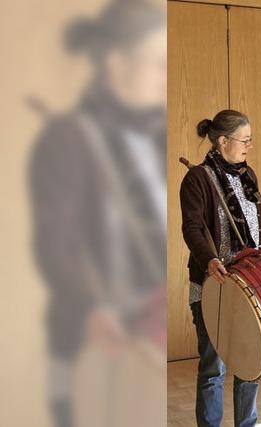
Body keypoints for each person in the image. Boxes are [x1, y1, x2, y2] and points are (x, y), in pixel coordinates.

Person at [29, 1, 166, 426]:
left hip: (147, 339)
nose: (165, 77)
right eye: (157, 63)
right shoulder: (67, 138)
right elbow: (55, 242)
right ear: (116, 62)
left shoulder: (157, 134)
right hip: (92, 344)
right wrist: (91, 308)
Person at [180, 110, 261, 427]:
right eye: (245, 140)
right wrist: (210, 260)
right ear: (222, 141)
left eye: (250, 139)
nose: (249, 146)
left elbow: (257, 229)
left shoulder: (248, 175)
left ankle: (246, 423)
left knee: (250, 362)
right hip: (213, 283)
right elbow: (191, 228)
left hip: (249, 284)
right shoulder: (197, 178)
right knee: (213, 366)